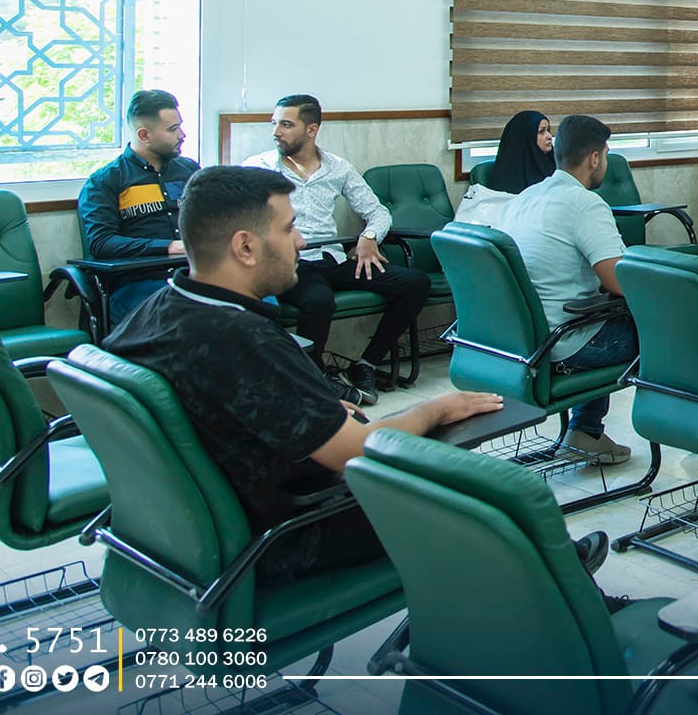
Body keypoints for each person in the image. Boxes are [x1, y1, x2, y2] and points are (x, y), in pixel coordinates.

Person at [102, 165, 503, 584]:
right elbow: (360, 450)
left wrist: (307, 407)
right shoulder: (246, 340)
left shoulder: (152, 313)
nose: (301, 241)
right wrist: (437, 409)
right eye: (288, 228)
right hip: (285, 537)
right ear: (245, 247)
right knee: (482, 499)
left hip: (182, 537)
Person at [242, 95, 432, 408]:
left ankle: (367, 364)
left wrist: (369, 237)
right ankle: (313, 377)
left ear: (311, 129)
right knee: (318, 300)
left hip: (333, 259)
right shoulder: (258, 168)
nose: (276, 132)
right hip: (292, 263)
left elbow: (378, 212)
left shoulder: (337, 167)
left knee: (415, 283)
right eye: (274, 123)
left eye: (286, 125)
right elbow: (240, 217)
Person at [497, 115, 636, 466]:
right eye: (606, 155)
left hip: (520, 341)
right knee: (667, 329)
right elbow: (617, 281)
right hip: (563, 344)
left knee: (601, 311)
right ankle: (691, 427)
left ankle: (585, 431)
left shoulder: (524, 198)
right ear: (594, 158)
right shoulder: (586, 204)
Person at [77, 89, 199, 328]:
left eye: (180, 127)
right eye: (172, 129)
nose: (182, 135)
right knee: (187, 316)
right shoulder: (106, 181)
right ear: (144, 135)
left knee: (259, 303)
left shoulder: (190, 172)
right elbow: (102, 243)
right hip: (140, 283)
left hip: (194, 274)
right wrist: (169, 247)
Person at [453, 110, 554, 227]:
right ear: (525, 137)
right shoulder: (509, 172)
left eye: (548, 130)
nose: (549, 136)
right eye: (541, 132)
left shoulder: (554, 163)